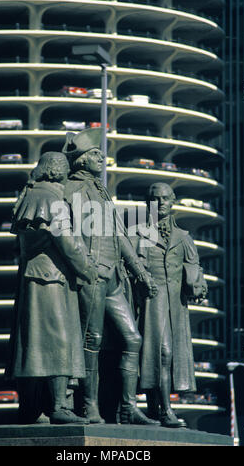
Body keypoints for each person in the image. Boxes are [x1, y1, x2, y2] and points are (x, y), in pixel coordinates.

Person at [62, 128, 158, 425]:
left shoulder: (101, 190)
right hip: (92, 276)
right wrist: (84, 266)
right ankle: (88, 406)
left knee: (133, 337)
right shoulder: (70, 190)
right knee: (92, 340)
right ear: (80, 160)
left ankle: (128, 408)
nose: (101, 158)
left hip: (115, 276)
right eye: (95, 154)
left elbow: (119, 233)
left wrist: (140, 271)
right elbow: (66, 236)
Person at [5, 151, 98, 425]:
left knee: (32, 345)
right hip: (51, 280)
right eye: (65, 171)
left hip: (34, 279)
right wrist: (87, 268)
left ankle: (31, 408)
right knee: (59, 341)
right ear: (56, 171)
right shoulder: (50, 198)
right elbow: (67, 241)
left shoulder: (31, 195)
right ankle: (59, 406)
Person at [135, 182, 208, 427]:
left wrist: (198, 284)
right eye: (155, 199)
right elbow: (132, 266)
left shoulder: (183, 237)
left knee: (166, 355)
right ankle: (162, 410)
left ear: (173, 200)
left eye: (165, 198)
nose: (161, 203)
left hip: (175, 306)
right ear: (149, 203)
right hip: (150, 304)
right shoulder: (140, 233)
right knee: (158, 354)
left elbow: (196, 266)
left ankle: (158, 408)